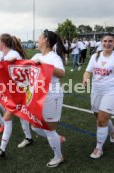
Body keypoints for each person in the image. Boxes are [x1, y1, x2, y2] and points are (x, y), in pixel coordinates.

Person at [83, 33, 114, 159]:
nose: (107, 43)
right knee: (98, 116)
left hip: (112, 92)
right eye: (105, 41)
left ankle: (98, 148)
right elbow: (87, 71)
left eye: (110, 41)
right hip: (96, 91)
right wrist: (85, 79)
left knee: (101, 120)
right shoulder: (95, 56)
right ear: (101, 42)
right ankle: (112, 130)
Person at [0, 34, 34, 158]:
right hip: (10, 91)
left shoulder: (13, 54)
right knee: (23, 117)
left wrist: (5, 63)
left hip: (19, 92)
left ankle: (1, 149)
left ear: (2, 43)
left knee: (7, 118)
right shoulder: (0, 54)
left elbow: (13, 61)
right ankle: (29, 138)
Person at [29, 30, 66, 167]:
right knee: (34, 126)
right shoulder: (36, 55)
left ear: (46, 40)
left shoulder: (54, 57)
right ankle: (56, 138)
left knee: (50, 129)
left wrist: (44, 65)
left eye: (39, 37)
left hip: (52, 96)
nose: (37, 39)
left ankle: (58, 156)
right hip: (37, 96)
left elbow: (62, 73)